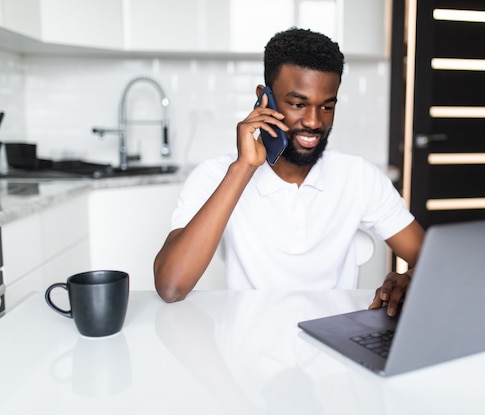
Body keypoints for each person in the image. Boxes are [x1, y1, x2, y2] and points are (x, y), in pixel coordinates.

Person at [154, 28, 424, 316]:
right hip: (246, 351)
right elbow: (171, 286)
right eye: (298, 104)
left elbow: (432, 262)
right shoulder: (215, 175)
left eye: (327, 106)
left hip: (334, 348)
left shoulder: (358, 176)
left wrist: (410, 279)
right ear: (264, 99)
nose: (314, 121)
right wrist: (244, 167)